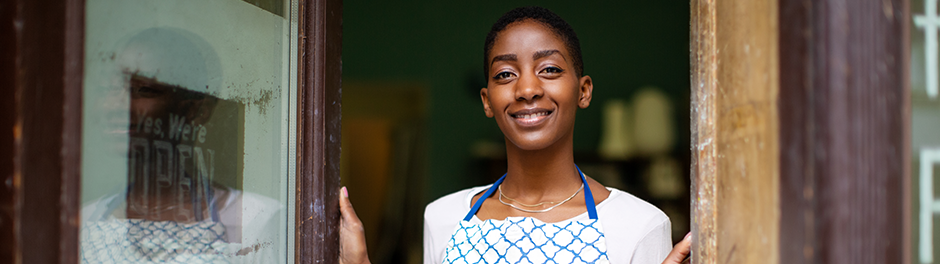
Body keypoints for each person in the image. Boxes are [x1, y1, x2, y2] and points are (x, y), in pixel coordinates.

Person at [339, 6, 691, 264]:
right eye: (505, 74)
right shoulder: (442, 217)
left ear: (583, 91)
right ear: (487, 100)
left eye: (549, 69)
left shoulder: (639, 225)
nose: (526, 88)